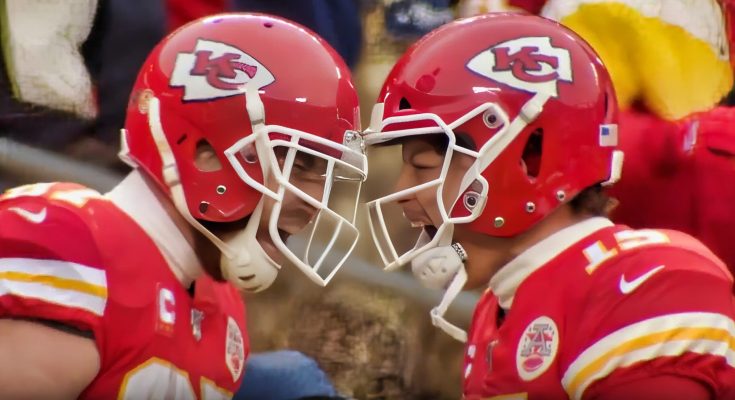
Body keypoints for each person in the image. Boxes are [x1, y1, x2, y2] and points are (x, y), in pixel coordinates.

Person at [363, 13, 735, 399]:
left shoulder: (641, 287)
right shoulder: (499, 306)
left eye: (424, 166)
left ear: (531, 160)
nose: (402, 189)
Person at [0, 13, 367, 399]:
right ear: (203, 154)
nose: (314, 200)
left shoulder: (221, 305)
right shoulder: (74, 251)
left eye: (324, 173)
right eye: (299, 165)